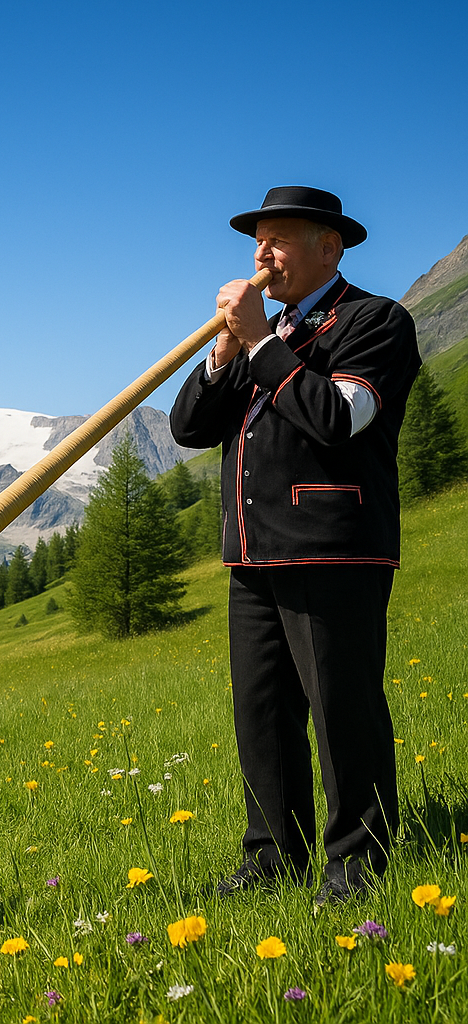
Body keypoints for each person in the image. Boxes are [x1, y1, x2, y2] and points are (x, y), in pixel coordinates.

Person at [170, 186, 419, 904]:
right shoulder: (261, 335)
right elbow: (190, 426)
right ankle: (273, 857)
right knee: (262, 710)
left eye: (277, 241)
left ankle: (357, 863)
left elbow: (340, 420)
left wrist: (260, 344)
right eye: (257, 243)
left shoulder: (376, 321)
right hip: (252, 552)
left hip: (333, 548)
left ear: (329, 248)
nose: (261, 256)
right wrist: (224, 353)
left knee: (343, 707)